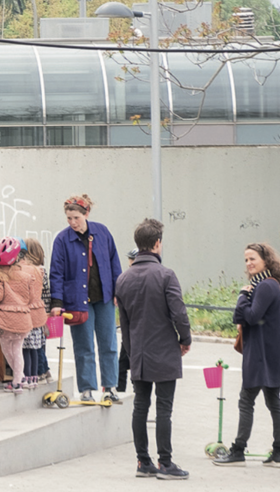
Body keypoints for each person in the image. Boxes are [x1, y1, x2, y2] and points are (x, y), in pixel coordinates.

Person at [114, 218, 191, 480]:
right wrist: (185, 339)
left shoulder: (123, 279)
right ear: (157, 244)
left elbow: (123, 325)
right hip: (165, 350)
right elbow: (179, 312)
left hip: (139, 353)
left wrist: (132, 351)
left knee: (140, 406)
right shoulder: (166, 274)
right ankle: (166, 463)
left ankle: (143, 461)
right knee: (164, 409)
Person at [212, 242, 280, 468]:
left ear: (266, 260)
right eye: (246, 260)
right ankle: (278, 452)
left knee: (246, 401)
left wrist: (241, 296)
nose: (249, 263)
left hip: (260, 355)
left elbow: (249, 316)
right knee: (274, 402)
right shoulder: (273, 285)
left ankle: (238, 450)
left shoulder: (264, 287)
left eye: (253, 258)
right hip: (272, 354)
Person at [49, 193, 124, 404]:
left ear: (86, 214)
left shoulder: (102, 232)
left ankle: (110, 387)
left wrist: (118, 291)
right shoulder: (62, 239)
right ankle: (87, 389)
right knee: (84, 346)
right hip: (77, 300)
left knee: (108, 343)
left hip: (105, 298)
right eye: (69, 219)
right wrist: (57, 303)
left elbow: (114, 262)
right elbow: (56, 273)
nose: (72, 223)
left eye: (76, 218)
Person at [0, 237, 46, 394]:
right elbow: (30, 297)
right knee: (17, 349)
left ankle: (17, 380)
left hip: (5, 321)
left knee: (7, 350)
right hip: (23, 319)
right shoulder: (26, 275)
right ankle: (19, 380)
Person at [20, 238, 51, 387]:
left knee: (32, 346)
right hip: (42, 312)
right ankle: (44, 372)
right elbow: (46, 292)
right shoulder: (41, 270)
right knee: (39, 344)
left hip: (33, 313)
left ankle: (39, 372)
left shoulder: (30, 271)